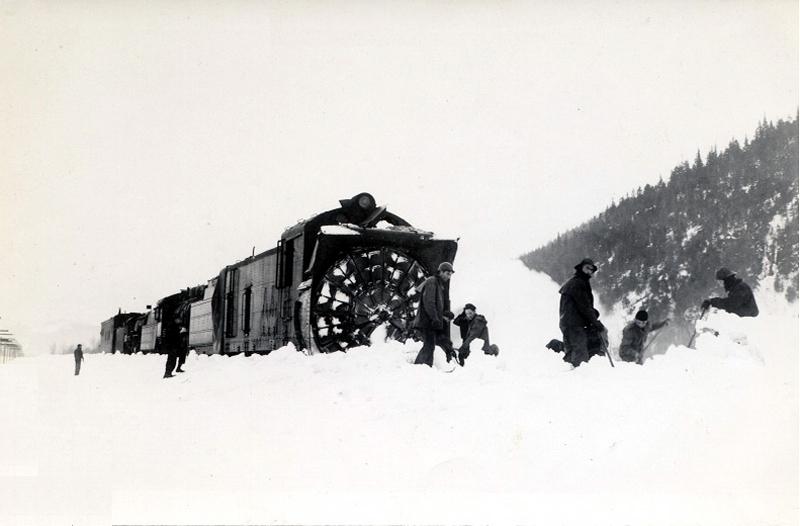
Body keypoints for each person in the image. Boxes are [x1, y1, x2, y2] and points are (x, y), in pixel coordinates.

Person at [558, 257, 604, 367]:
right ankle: (580, 378)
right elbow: (584, 306)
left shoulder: (576, 282)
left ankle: (570, 376)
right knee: (581, 355)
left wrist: (592, 314)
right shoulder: (578, 283)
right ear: (581, 268)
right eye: (587, 268)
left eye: (591, 270)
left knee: (572, 352)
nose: (589, 271)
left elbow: (582, 305)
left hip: (569, 323)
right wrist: (595, 321)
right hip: (574, 325)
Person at [412, 262, 456, 367]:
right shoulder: (432, 281)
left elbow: (435, 305)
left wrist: (443, 314)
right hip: (427, 321)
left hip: (430, 321)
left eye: (450, 274)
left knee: (429, 346)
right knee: (429, 346)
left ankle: (424, 367)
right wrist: (435, 318)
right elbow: (429, 302)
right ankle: (420, 368)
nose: (448, 276)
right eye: (447, 273)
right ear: (440, 272)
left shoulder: (439, 284)